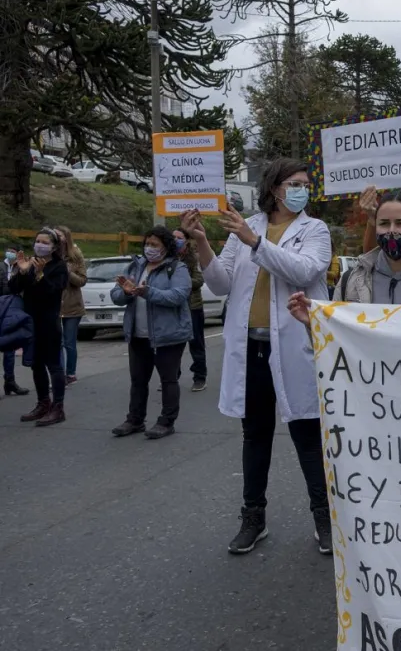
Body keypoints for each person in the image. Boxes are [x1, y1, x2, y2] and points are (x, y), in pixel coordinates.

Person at [182, 157, 333, 556]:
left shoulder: (315, 230)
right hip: (252, 346)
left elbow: (304, 272)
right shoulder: (247, 228)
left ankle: (324, 518)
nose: (302, 189)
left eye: (305, 183)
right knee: (255, 435)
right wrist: (201, 241)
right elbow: (219, 284)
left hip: (297, 347)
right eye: (295, 183)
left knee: (306, 434)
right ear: (274, 187)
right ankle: (254, 517)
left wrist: (255, 242)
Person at [110, 227, 192, 439]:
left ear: (166, 247)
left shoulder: (177, 268)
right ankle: (134, 420)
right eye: (147, 244)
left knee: (168, 380)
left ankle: (166, 421)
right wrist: (126, 292)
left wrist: (148, 292)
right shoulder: (136, 266)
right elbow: (116, 295)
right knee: (138, 380)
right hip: (138, 334)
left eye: (155, 245)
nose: (150, 248)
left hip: (168, 336)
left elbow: (178, 296)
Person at [10, 229, 68, 426]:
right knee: (36, 363)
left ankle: (58, 407)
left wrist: (41, 275)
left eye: (45, 242)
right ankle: (43, 402)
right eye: (37, 241)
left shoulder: (59, 266)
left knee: (53, 364)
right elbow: (13, 289)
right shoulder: (30, 262)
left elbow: (53, 291)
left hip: (49, 322)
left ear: (53, 246)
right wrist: (23, 271)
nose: (40, 245)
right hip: (30, 320)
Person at [173, 228, 207, 391]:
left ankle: (200, 377)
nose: (175, 240)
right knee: (173, 343)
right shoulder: (168, 258)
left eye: (179, 238)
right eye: (173, 237)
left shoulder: (194, 258)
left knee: (196, 343)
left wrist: (182, 283)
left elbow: (199, 280)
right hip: (173, 307)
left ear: (186, 240)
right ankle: (172, 375)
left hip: (192, 306)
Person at [56, 226, 87, 385]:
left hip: (72, 306)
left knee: (69, 342)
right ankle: (58, 374)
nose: (58, 238)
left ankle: (71, 373)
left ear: (66, 238)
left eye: (60, 236)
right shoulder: (50, 255)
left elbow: (82, 281)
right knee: (57, 342)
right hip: (54, 306)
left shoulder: (76, 255)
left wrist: (68, 273)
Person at [0, 245, 29, 397]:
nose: (10, 254)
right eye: (8, 251)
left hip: (13, 309)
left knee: (9, 346)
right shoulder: (0, 267)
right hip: (1, 306)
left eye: (13, 252)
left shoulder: (21, 267)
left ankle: (10, 381)